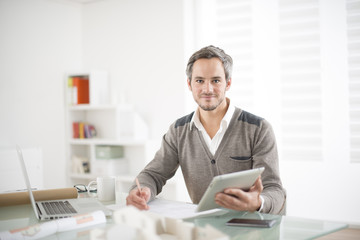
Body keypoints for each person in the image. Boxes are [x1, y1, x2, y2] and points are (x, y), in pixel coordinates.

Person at [126, 45, 286, 215]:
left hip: (253, 229)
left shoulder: (259, 129)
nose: (207, 89)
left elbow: (274, 190)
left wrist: (258, 202)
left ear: (228, 83)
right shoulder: (178, 131)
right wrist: (141, 190)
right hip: (205, 229)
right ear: (189, 84)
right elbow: (153, 174)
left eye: (216, 80)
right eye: (200, 81)